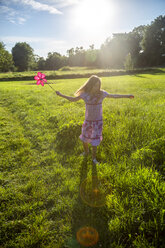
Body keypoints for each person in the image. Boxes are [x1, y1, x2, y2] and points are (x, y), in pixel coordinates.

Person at [56, 75, 134, 164]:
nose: (97, 88)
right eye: (95, 85)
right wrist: (61, 94)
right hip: (88, 121)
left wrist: (127, 96)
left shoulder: (102, 94)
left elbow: (114, 96)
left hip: (98, 122)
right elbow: (73, 99)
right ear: (90, 85)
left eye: (98, 85)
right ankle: (86, 152)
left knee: (94, 142)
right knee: (85, 140)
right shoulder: (85, 94)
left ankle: (93, 159)